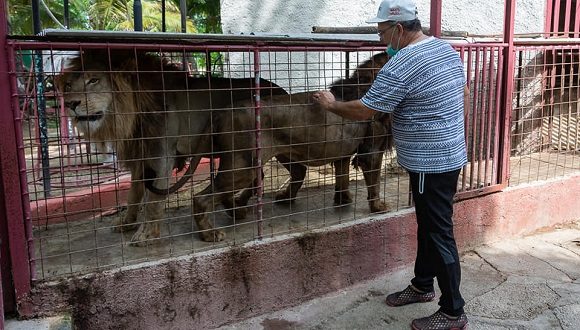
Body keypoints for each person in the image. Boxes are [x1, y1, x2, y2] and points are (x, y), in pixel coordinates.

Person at [312, 0, 470, 329]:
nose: (382, 40)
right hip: (449, 153)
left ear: (398, 29)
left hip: (431, 162)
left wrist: (331, 104)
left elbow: (365, 110)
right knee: (429, 223)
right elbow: (464, 93)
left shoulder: (402, 63)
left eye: (382, 32)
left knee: (439, 231)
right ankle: (422, 285)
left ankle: (453, 311)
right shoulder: (444, 49)